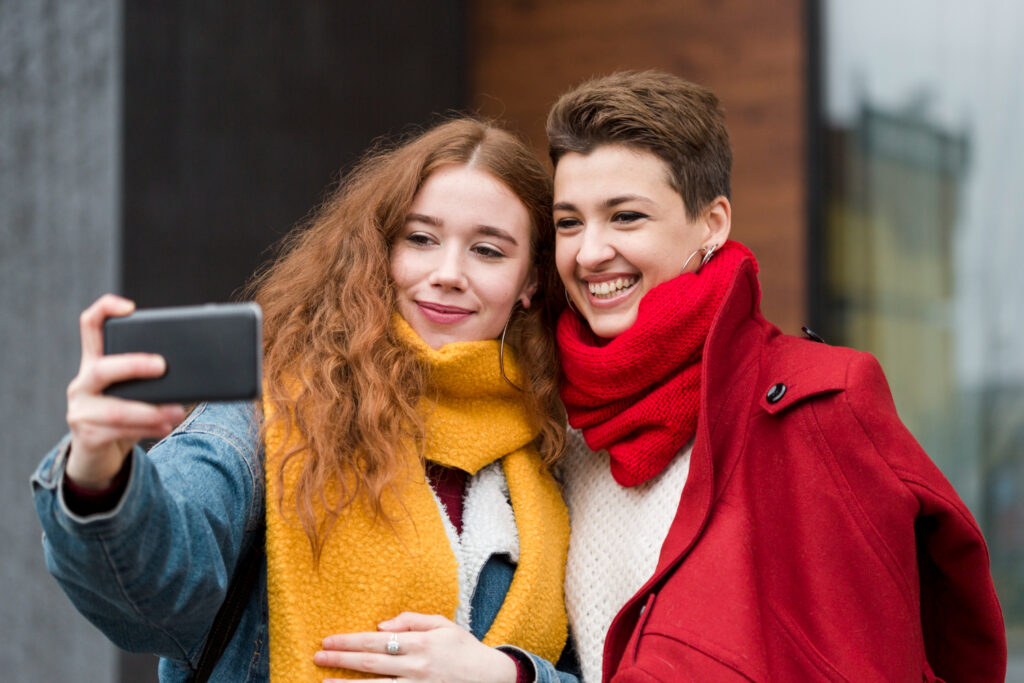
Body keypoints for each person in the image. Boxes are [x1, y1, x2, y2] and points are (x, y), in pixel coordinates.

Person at [323, 71, 1007, 682]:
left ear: (711, 223)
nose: (592, 253)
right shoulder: (557, 431)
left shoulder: (820, 404)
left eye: (626, 216)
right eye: (569, 222)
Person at [31, 117, 574, 682]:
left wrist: (513, 676)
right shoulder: (274, 412)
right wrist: (99, 475)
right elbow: (157, 590)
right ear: (377, 251)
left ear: (529, 282)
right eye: (420, 239)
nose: (448, 273)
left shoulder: (552, 453)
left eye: (488, 250)